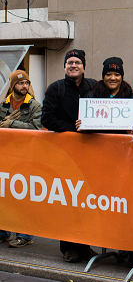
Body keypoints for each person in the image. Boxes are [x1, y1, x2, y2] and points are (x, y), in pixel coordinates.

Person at [41, 49, 98, 263]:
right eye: (70, 62)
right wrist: (72, 130)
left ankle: (84, 245)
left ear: (84, 66)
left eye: (77, 62)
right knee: (67, 202)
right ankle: (68, 248)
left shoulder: (94, 86)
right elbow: (47, 118)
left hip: (90, 154)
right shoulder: (55, 88)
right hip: (65, 154)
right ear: (65, 66)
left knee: (87, 201)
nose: (73, 65)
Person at [0, 70, 42, 248]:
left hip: (27, 157)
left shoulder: (34, 106)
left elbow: (38, 129)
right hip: (6, 156)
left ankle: (25, 235)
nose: (24, 86)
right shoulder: (3, 105)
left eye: (26, 83)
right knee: (5, 195)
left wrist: (12, 124)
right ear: (12, 85)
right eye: (20, 83)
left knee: (24, 197)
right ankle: (4, 231)